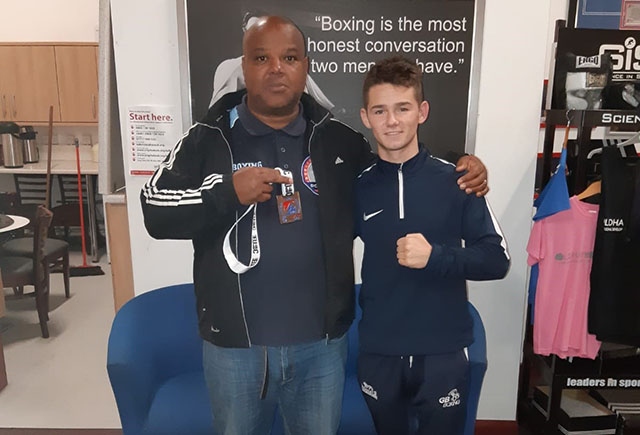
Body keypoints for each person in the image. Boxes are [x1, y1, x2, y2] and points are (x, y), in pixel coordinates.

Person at [140, 16, 488, 435]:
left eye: (289, 57)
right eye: (261, 58)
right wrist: (226, 193)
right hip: (236, 352)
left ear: (305, 66)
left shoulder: (340, 140)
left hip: (321, 349)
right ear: (243, 67)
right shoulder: (205, 139)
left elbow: (397, 171)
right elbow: (153, 210)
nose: (275, 69)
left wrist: (461, 163)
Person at [354, 56, 510, 435]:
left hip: (443, 351)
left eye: (403, 108)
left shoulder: (458, 180)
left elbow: (497, 260)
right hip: (379, 352)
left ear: (421, 111)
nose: (392, 121)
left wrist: (436, 257)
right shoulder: (356, 186)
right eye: (381, 110)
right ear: (365, 117)